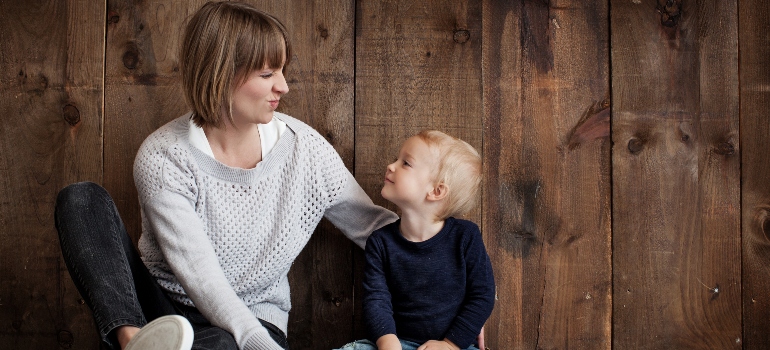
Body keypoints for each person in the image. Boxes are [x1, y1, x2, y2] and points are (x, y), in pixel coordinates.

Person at [54, 2, 398, 349]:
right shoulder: (163, 157)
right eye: (267, 74)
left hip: (252, 322)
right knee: (80, 200)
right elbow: (199, 272)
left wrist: (451, 249)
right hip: (162, 313)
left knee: (219, 343)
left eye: (281, 71)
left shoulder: (304, 149)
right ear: (220, 73)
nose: (283, 86)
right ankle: (133, 342)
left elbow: (373, 228)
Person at [336, 131, 495, 350]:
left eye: (406, 163)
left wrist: (451, 344)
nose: (391, 166)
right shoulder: (380, 243)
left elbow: (482, 295)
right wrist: (387, 341)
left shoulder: (465, 237)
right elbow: (376, 300)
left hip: (453, 345)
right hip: (399, 343)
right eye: (396, 159)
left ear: (436, 191)